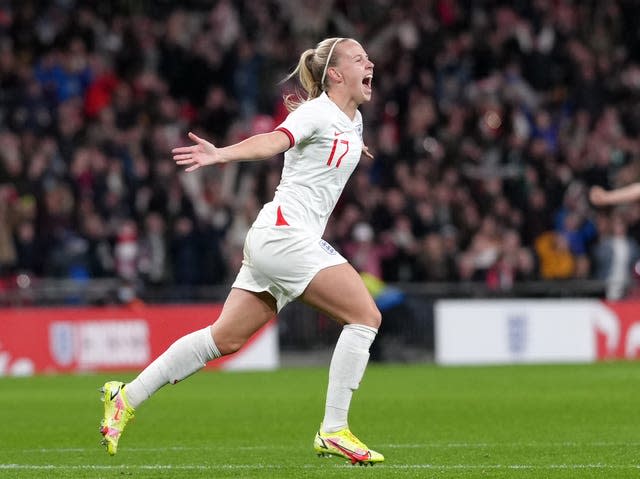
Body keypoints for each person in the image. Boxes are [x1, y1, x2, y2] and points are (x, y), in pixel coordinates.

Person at [99, 37, 384, 466]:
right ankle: (333, 429)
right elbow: (273, 141)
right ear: (336, 74)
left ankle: (127, 396)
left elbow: (335, 147)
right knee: (366, 316)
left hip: (275, 237)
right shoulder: (315, 113)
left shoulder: (353, 119)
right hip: (287, 236)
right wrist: (221, 155)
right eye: (360, 59)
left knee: (224, 338)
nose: (371, 63)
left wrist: (353, 147)